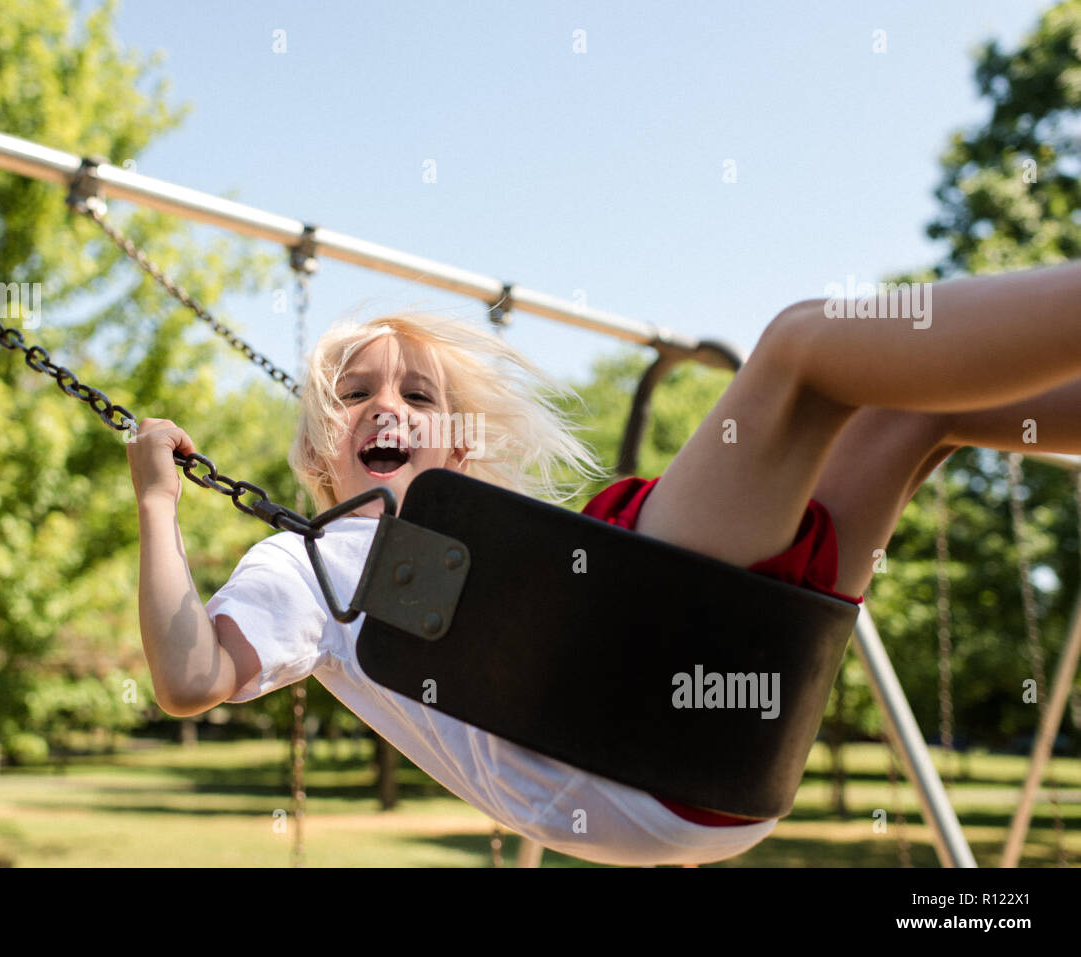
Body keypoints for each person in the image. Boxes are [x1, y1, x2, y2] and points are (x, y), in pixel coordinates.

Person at [129, 261, 1081, 864]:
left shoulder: (502, 542)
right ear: (318, 448)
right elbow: (190, 676)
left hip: (732, 745)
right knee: (798, 350)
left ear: (460, 444)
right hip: (627, 750)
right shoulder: (311, 561)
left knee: (910, 412)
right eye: (355, 392)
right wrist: (157, 503)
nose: (388, 407)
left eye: (420, 393)